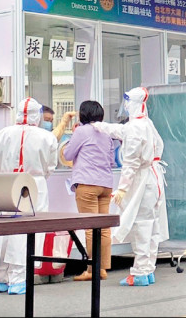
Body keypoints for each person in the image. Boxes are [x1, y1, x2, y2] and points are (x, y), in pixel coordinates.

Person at [94, 87, 168, 287]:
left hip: (143, 180)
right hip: (154, 178)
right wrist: (100, 126)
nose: (125, 106)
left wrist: (122, 188)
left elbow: (131, 162)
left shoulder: (136, 127)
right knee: (151, 227)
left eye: (127, 102)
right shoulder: (145, 123)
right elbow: (120, 131)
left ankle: (140, 273)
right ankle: (147, 269)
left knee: (142, 226)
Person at [0, 97, 58, 295]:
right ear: (37, 115)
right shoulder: (46, 137)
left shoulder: (1, 135)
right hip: (34, 185)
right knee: (27, 232)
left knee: (3, 230)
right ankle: (19, 279)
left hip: (5, 183)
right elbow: (50, 167)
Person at [61, 100, 116, 281]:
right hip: (106, 184)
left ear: (83, 115)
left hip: (87, 183)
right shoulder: (106, 133)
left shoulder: (81, 131)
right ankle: (103, 268)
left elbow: (68, 154)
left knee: (91, 229)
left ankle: (92, 270)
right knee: (104, 227)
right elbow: (111, 161)